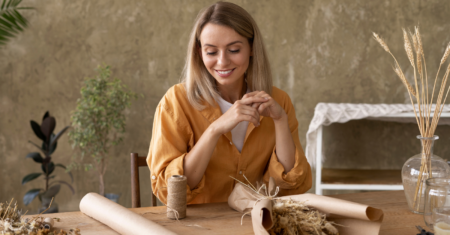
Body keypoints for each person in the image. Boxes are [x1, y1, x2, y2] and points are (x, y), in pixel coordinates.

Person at [147, 1, 311, 205]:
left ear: (252, 48)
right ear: (199, 53)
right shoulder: (175, 102)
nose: (222, 62)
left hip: (255, 223)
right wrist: (215, 129)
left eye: (234, 50)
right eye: (211, 52)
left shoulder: (278, 101)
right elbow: (169, 192)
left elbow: (291, 186)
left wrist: (280, 120)